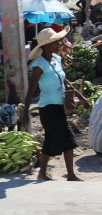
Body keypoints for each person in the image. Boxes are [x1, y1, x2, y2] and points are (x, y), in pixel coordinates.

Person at [23, 26, 89, 181]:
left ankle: (42, 173)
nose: (58, 44)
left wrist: (81, 97)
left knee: (50, 141)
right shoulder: (39, 65)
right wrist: (25, 111)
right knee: (69, 139)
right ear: (45, 46)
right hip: (48, 108)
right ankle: (71, 174)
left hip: (58, 106)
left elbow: (64, 81)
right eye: (54, 42)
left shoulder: (57, 59)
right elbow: (31, 90)